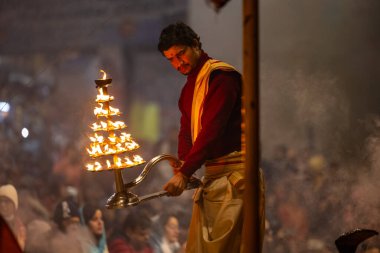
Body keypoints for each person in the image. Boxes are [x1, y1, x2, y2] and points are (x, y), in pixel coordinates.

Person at [157, 22, 253, 253]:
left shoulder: (221, 77)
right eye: (171, 59)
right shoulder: (188, 89)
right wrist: (182, 163)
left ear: (196, 44)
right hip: (213, 180)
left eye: (181, 54)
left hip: (235, 180)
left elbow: (212, 130)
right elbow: (186, 131)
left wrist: (186, 171)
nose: (178, 63)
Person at [0, 184, 26, 250]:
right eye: (0, 201)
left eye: (7, 201)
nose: (3, 205)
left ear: (14, 205)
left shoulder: (19, 227)